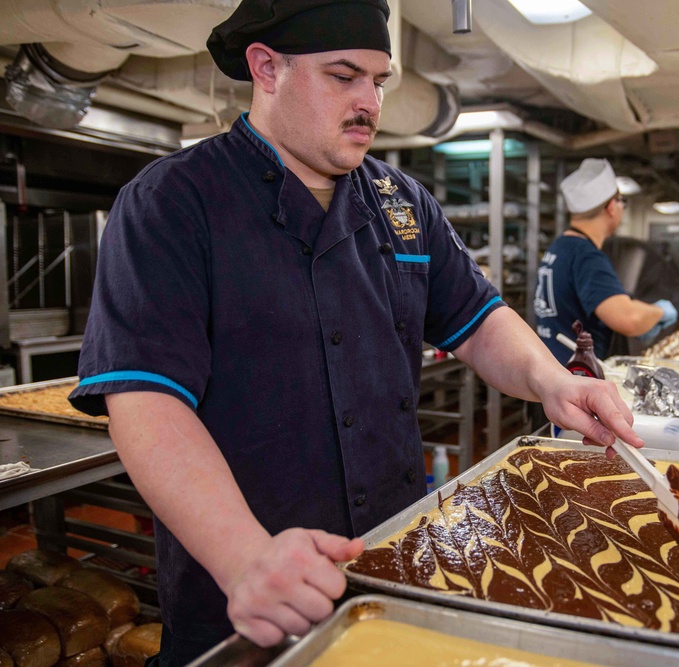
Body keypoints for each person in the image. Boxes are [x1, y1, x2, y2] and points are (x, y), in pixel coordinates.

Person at [67, 1, 642, 664]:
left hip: (391, 569)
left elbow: (478, 317)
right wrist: (245, 555)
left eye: (379, 80)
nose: (370, 101)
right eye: (344, 76)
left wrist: (554, 380)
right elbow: (144, 402)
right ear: (266, 68)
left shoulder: (399, 202)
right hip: (252, 596)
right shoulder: (173, 203)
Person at [534, 158, 677, 365]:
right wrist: (660, 311)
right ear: (611, 207)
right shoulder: (586, 256)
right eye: (622, 202)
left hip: (553, 370)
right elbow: (628, 318)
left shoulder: (560, 247)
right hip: (577, 378)